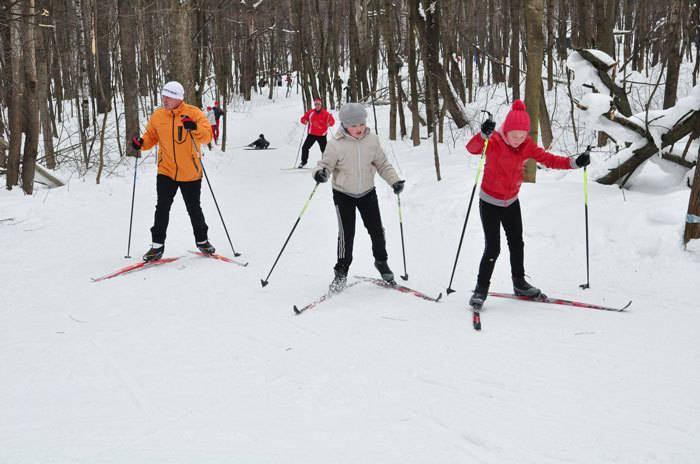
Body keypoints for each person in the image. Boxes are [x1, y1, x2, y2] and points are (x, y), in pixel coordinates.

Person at [465, 100, 591, 308]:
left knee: (517, 243)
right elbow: (472, 149)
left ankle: (519, 283)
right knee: (493, 248)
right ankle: (480, 289)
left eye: (522, 136)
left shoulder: (526, 146)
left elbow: (549, 159)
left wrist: (575, 163)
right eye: (514, 136)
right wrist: (482, 135)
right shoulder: (494, 140)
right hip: (489, 202)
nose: (518, 140)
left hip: (511, 202)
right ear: (505, 130)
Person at [311, 103, 405, 292]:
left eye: (361, 124)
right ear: (345, 125)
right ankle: (341, 272)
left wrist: (394, 181)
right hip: (343, 194)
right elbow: (324, 165)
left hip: (367, 192)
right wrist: (320, 173)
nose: (359, 128)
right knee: (347, 235)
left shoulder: (372, 140)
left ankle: (381, 261)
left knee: (377, 231)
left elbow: (382, 163)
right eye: (354, 125)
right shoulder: (335, 144)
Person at [131, 81, 215, 262]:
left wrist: (195, 127)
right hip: (166, 170)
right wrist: (141, 143)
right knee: (162, 207)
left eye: (168, 97)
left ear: (178, 98)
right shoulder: (158, 116)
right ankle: (156, 246)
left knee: (194, 208)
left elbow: (207, 135)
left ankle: (202, 241)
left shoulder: (193, 113)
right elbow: (151, 137)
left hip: (190, 171)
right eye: (163, 96)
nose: (164, 100)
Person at [299, 98, 335, 168]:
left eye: (318, 104)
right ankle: (303, 162)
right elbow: (303, 118)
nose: (317, 106)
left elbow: (332, 121)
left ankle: (326, 164)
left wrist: (329, 123)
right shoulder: (310, 112)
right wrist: (304, 121)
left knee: (324, 150)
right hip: (311, 134)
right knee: (305, 147)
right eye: (316, 105)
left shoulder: (325, 113)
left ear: (321, 105)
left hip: (321, 135)